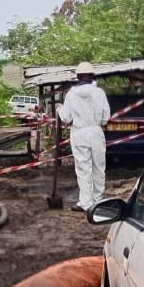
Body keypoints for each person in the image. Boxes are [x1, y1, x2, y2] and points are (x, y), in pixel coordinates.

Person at [57, 61, 110, 213]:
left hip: (79, 133)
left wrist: (60, 109)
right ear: (92, 76)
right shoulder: (99, 93)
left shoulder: (71, 95)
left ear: (78, 77)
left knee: (83, 169)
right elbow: (105, 118)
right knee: (99, 168)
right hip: (96, 132)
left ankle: (86, 203)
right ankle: (98, 201)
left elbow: (66, 118)